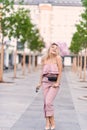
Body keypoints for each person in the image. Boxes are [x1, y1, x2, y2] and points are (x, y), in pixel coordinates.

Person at [36, 43, 62, 130]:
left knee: (48, 102)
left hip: (54, 83)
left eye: (56, 48)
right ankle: (47, 121)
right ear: (49, 48)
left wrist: (57, 83)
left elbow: (60, 72)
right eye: (52, 47)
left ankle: (52, 121)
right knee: (46, 103)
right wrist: (39, 83)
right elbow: (42, 72)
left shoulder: (58, 58)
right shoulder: (44, 59)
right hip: (45, 82)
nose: (54, 49)